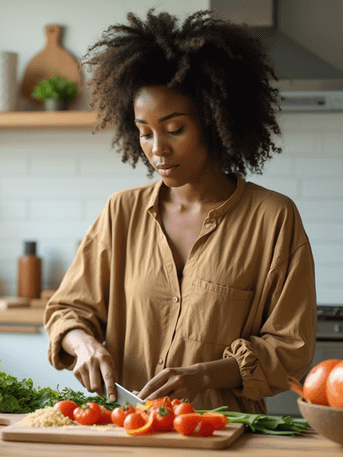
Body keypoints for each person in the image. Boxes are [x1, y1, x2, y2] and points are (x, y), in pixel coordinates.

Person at [44, 9, 316, 414]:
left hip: (222, 435)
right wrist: (83, 344)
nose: (158, 150)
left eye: (174, 129)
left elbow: (290, 348)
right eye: (145, 132)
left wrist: (204, 375)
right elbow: (67, 310)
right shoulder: (122, 212)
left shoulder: (273, 218)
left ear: (214, 119)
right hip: (129, 429)